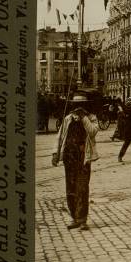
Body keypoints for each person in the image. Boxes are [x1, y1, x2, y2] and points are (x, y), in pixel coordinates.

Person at [51, 93, 100, 231]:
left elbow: (92, 132)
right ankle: (74, 217)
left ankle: (82, 219)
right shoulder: (68, 118)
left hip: (83, 158)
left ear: (86, 106)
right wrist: (55, 153)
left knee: (82, 189)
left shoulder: (92, 118)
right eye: (76, 105)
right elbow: (60, 136)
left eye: (82, 106)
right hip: (69, 157)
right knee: (70, 189)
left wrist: (84, 118)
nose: (78, 108)